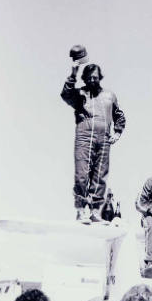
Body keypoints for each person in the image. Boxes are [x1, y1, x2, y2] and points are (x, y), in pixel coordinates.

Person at [61, 62, 126, 223]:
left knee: (100, 176)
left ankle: (95, 212)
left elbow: (119, 115)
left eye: (95, 77)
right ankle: (81, 210)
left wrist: (117, 132)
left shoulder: (110, 96)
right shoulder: (80, 94)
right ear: (84, 79)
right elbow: (66, 94)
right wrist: (73, 73)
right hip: (84, 137)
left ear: (100, 77)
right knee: (82, 174)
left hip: (103, 139)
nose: (92, 80)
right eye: (89, 77)